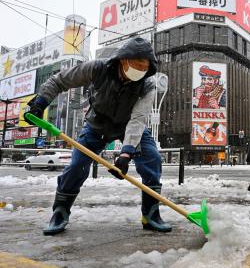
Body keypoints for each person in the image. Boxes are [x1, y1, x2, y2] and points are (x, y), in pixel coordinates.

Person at [24, 37, 172, 235]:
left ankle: (151, 214)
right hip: (97, 124)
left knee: (152, 158)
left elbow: (138, 119)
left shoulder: (147, 84)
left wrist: (126, 153)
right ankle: (60, 211)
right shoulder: (98, 69)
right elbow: (60, 80)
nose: (140, 70)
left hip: (128, 123)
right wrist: (41, 102)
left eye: (144, 67)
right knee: (77, 165)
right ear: (123, 60)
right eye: (137, 65)